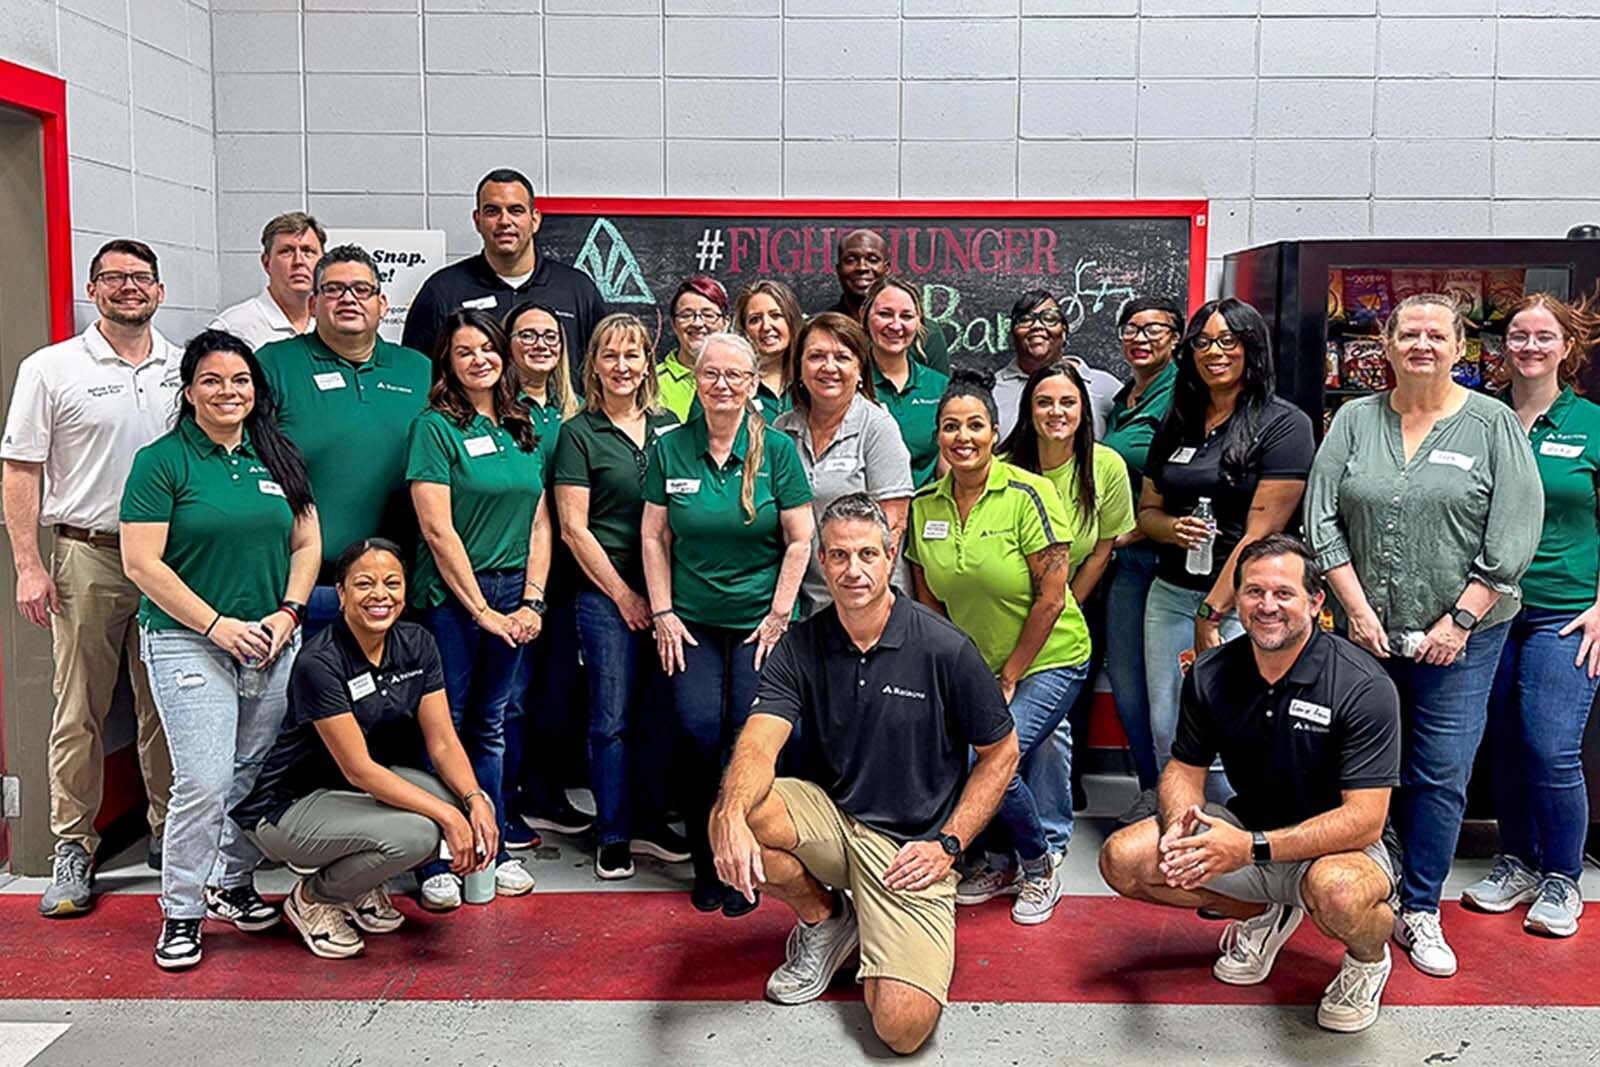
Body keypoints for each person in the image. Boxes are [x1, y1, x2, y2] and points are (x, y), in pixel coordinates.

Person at [710, 494, 1017, 1054]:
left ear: (891, 555)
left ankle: (877, 922)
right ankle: (825, 918)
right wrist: (728, 814)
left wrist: (948, 844)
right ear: (821, 563)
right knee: (735, 812)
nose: (854, 570)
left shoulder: (945, 648)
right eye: (839, 556)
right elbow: (758, 741)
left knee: (900, 1029)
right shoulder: (803, 644)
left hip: (910, 848)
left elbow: (1002, 754)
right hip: (836, 819)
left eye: (868, 555)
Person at [1304, 292, 1542, 978]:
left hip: (1463, 638)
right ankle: (1357, 883)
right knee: (1356, 762)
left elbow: (1514, 533)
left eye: (1438, 334)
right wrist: (1358, 610)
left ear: (1462, 345)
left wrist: (1459, 617)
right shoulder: (1354, 419)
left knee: (1438, 771)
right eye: (1409, 332)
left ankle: (1419, 907)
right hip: (1366, 629)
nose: (1422, 344)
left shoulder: (1493, 424)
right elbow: (1323, 520)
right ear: (1386, 342)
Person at [1098, 536, 1403, 1034]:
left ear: (1316, 602)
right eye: (1253, 592)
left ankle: (1368, 962)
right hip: (1248, 831)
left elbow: (1365, 820)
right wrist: (1181, 828)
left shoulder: (1362, 685)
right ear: (1236, 598)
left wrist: (1249, 848)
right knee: (1123, 859)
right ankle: (1268, 914)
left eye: (1284, 593)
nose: (1267, 606)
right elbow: (1183, 769)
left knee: (1340, 894)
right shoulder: (1213, 672)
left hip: (1341, 849)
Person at [119, 329, 320, 970]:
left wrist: (289, 612)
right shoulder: (162, 461)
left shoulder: (278, 457)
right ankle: (181, 911)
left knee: (250, 774)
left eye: (239, 381)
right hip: (188, 642)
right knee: (203, 781)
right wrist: (216, 626)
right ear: (189, 390)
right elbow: (141, 563)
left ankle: (230, 883)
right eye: (212, 380)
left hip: (271, 638)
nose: (227, 392)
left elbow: (307, 545)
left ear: (255, 391)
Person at [2, 238, 180, 914]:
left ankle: (170, 831)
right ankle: (73, 844)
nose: (128, 287)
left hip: (169, 557)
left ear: (160, 291)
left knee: (167, 701)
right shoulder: (52, 369)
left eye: (140, 278)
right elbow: (20, 468)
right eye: (113, 278)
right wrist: (27, 564)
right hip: (87, 553)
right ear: (92, 289)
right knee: (78, 707)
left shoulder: (183, 367)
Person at [232, 539, 500, 959]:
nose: (380, 595)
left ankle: (358, 885)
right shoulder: (319, 662)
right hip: (290, 807)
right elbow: (359, 769)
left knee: (456, 805)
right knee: (420, 833)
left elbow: (444, 741)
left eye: (392, 583)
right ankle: (314, 899)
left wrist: (476, 799)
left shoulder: (417, 643)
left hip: (350, 795)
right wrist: (449, 815)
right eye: (364, 584)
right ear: (340, 594)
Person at [642, 332, 814, 915]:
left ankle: (743, 864)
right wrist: (662, 611)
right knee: (695, 732)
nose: (722, 385)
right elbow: (653, 535)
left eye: (734, 376)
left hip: (755, 625)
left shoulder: (778, 452)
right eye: (710, 374)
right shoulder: (670, 449)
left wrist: (779, 614)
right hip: (689, 621)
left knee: (746, 740)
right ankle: (705, 857)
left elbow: (799, 539)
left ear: (751, 384)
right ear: (695, 379)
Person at [906, 370, 1086, 924]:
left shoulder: (1031, 494)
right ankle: (1004, 860)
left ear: (995, 432)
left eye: (976, 426)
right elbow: (929, 602)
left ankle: (1039, 866)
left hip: (1050, 657)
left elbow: (1052, 599)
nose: (964, 437)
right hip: (975, 666)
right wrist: (960, 676)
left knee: (990, 758)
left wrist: (1008, 675)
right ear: (938, 435)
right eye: (951, 426)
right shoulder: (923, 506)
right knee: (968, 756)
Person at [1138, 298, 1315, 793]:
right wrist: (1171, 529)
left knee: (1234, 729)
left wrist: (1212, 613)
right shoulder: (1180, 419)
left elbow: (1261, 534)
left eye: (1227, 340)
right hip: (1171, 593)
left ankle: (1233, 847)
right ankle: (1176, 835)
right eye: (1203, 341)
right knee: (1167, 725)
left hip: (1246, 603)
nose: (1214, 352)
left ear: (1251, 348)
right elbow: (1147, 512)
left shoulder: (1284, 424)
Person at [1464, 293, 1600, 938]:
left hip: (1565, 612)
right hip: (1489, 609)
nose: (1529, 347)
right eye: (1518, 335)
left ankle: (1562, 878)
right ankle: (1514, 861)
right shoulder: (1482, 419)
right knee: (1504, 743)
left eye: (1544, 337)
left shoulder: (1593, 424)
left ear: (1567, 347)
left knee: (1551, 746)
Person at [406, 309, 551, 909]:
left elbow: (541, 519)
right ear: (448, 362)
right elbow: (437, 530)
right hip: (449, 599)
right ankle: (435, 854)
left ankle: (491, 850)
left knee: (490, 725)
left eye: (487, 349)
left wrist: (531, 601)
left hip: (512, 592)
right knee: (444, 724)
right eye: (464, 352)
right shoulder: (435, 427)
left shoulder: (524, 426)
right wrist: (480, 611)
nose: (479, 360)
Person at [553, 313, 690, 879]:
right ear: (593, 365)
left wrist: (661, 598)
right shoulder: (579, 433)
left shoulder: (672, 425)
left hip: (672, 596)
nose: (622, 366)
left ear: (647, 363)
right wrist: (625, 595)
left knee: (663, 713)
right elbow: (572, 529)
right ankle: (612, 831)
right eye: (610, 355)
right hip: (606, 599)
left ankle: (651, 822)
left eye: (632, 355)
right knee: (610, 718)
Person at [257, 245, 431, 636]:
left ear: (382, 303)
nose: (348, 298)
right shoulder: (274, 364)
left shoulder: (418, 369)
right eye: (334, 290)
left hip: (396, 587)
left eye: (361, 289)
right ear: (315, 303)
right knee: (302, 695)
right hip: (304, 584)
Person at [999, 360, 1135, 856]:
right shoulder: (1003, 465)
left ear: (1084, 409)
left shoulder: (1106, 467)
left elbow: (1103, 544)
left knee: (1051, 731)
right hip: (1002, 615)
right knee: (1006, 733)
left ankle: (1049, 843)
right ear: (1027, 410)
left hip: (1063, 618)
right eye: (1044, 401)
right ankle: (1005, 842)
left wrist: (1064, 603)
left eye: (1068, 402)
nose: (1056, 412)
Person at [500, 301, 590, 845]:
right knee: (510, 694)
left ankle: (543, 792)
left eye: (550, 335)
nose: (540, 344)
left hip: (569, 574)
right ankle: (502, 802)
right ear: (507, 344)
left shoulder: (573, 411)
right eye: (527, 334)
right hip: (517, 572)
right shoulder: (499, 409)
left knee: (556, 691)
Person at [1100, 297, 1185, 820]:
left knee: (1168, 694)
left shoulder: (1183, 393)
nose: (1142, 337)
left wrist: (1148, 522)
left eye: (1155, 329)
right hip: (1124, 563)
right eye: (1131, 328)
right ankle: (1151, 788)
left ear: (1176, 337)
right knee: (1130, 687)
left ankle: (1178, 799)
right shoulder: (1124, 396)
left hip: (1168, 561)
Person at [774, 312, 913, 618]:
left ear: (860, 369)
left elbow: (894, 524)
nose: (829, 367)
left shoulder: (877, 427)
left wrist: (858, 602)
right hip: (805, 604)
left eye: (842, 357)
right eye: (816, 356)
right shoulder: (782, 430)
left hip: (867, 602)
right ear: (799, 367)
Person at [401, 168, 605, 368]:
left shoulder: (578, 290)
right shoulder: (442, 291)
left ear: (535, 220)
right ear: (477, 220)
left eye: (516, 210)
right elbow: (416, 375)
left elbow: (602, 370)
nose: (504, 221)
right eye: (492, 211)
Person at [992, 289, 1120, 440]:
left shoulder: (1104, 387)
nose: (1037, 326)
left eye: (1050, 318)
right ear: (1012, 335)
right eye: (1025, 319)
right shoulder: (992, 390)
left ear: (1064, 332)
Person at [862, 276, 950, 490]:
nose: (896, 325)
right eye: (885, 314)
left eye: (907, 316)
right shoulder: (850, 385)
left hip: (928, 513)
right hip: (864, 517)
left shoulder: (941, 387)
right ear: (864, 316)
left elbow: (949, 466)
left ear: (918, 322)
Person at [828, 229, 950, 374]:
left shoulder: (927, 332)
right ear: (838, 269)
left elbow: (940, 391)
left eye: (873, 260)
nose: (862, 267)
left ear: (886, 269)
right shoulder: (819, 328)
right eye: (850, 260)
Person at [208, 212, 325, 351]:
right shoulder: (231, 328)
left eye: (308, 251)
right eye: (287, 251)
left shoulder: (330, 324)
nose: (299, 261)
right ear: (266, 263)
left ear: (322, 263)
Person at [656, 275, 729, 422]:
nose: (697, 323)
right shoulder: (652, 383)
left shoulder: (742, 379)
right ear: (674, 325)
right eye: (686, 315)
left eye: (708, 315)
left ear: (726, 323)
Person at [733, 279, 801, 421]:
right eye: (755, 319)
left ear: (791, 320)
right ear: (744, 330)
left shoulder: (811, 379)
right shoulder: (729, 382)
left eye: (776, 315)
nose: (766, 326)